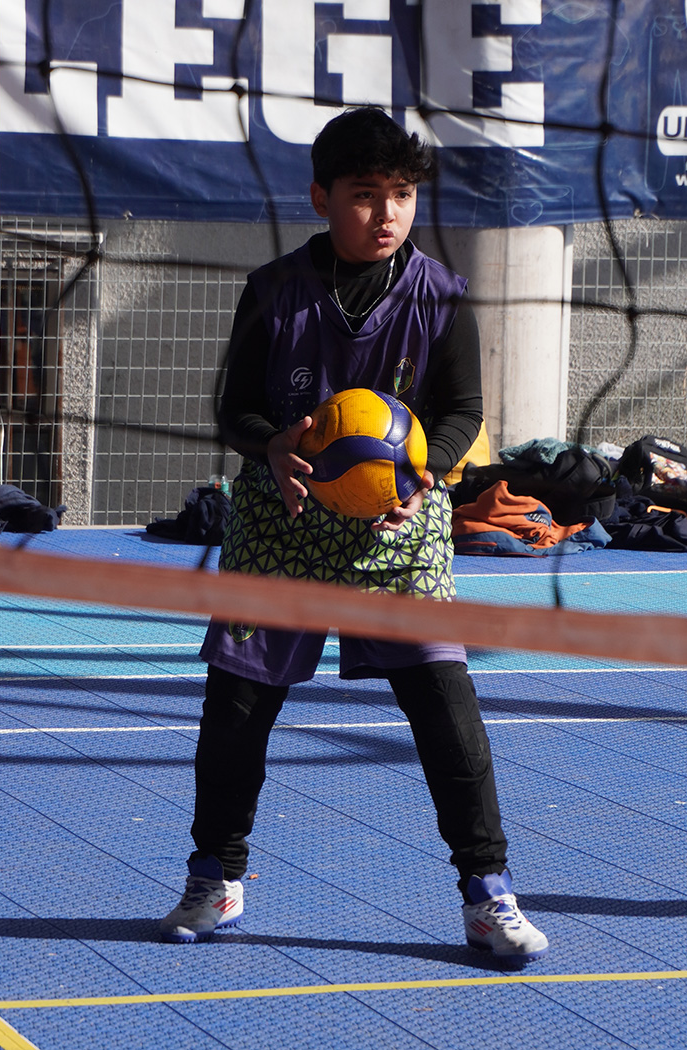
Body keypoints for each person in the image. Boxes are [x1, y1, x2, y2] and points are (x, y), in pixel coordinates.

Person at [160, 106, 549, 965]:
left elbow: (462, 411)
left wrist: (425, 472)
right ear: (321, 198)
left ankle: (487, 893)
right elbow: (235, 408)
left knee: (444, 703)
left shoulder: (441, 295)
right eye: (366, 194)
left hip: (397, 528)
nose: (387, 213)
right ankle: (214, 877)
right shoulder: (274, 289)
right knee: (236, 709)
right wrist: (272, 445)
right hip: (283, 518)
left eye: (402, 195)